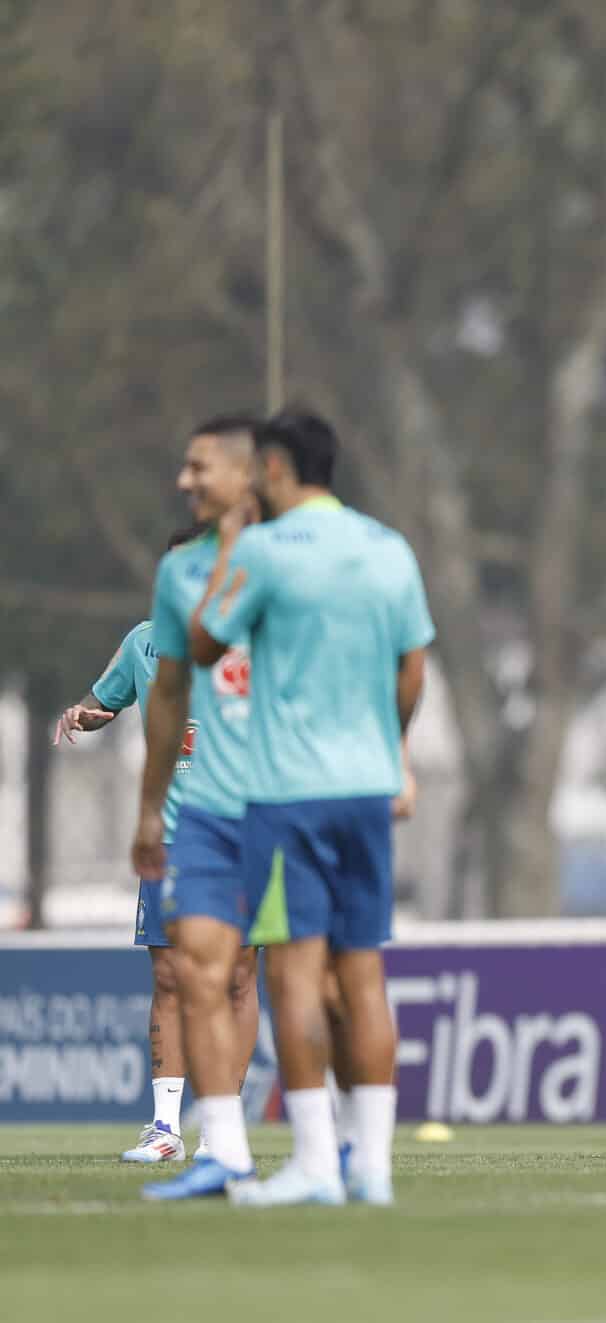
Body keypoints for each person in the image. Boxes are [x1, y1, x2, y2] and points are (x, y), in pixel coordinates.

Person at [187, 408, 435, 1207]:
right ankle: (376, 1168)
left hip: (287, 794)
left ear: (280, 469)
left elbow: (203, 642)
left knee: (294, 976)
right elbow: (412, 669)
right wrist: (388, 747)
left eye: (259, 466)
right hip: (367, 789)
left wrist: (230, 542)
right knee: (363, 976)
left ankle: (317, 1164)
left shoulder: (262, 548)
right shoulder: (387, 546)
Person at [56, 524, 263, 1164]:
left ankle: (223, 1132)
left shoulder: (254, 640)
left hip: (245, 830)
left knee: (236, 977)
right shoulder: (144, 643)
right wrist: (83, 714)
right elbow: (104, 700)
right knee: (171, 976)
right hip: (172, 839)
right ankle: (166, 1128)